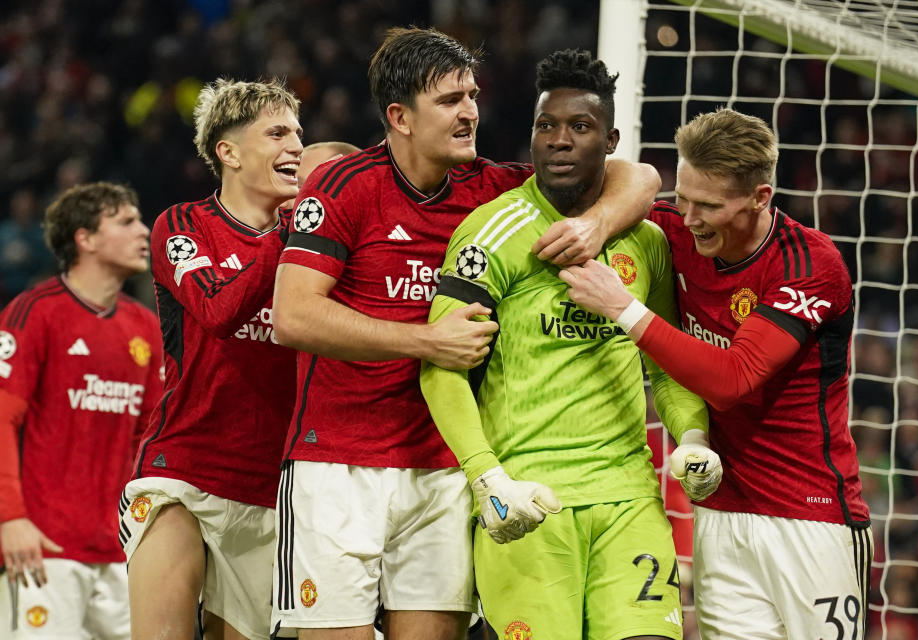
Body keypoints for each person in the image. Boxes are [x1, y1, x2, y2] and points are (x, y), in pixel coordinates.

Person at [271, 28, 662, 640]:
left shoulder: (492, 190)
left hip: (446, 468)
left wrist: (597, 223)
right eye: (451, 100)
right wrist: (425, 342)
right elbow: (293, 316)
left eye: (472, 94)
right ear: (399, 116)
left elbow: (637, 176)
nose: (471, 111)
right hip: (339, 462)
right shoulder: (345, 187)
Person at [419, 48, 717, 640]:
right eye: (545, 126)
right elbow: (441, 366)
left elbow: (667, 360)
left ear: (611, 140)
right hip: (529, 501)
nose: (558, 140)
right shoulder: (493, 231)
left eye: (579, 127)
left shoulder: (648, 242)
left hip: (629, 497)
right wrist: (488, 480)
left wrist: (692, 436)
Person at [560, 108, 873, 639]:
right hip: (720, 513)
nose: (689, 217)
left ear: (760, 197)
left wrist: (625, 309)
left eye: (709, 205)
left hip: (811, 515)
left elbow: (733, 380)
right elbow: (615, 179)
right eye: (682, 197)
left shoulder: (809, 265)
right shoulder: (673, 232)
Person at [119, 78, 301, 640]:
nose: (295, 146)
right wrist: (287, 236)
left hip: (272, 488)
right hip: (183, 471)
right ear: (228, 152)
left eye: (298, 133)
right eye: (276, 133)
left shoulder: (313, 249)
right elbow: (218, 311)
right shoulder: (182, 226)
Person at [0, 182, 162, 637]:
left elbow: (148, 439)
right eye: (127, 221)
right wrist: (11, 518)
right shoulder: (34, 313)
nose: (144, 231)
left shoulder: (145, 327)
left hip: (122, 551)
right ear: (84, 239)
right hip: (44, 548)